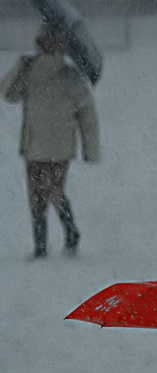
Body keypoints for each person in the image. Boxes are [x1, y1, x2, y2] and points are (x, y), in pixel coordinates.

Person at [0, 24, 100, 258]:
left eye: (54, 40)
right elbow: (8, 93)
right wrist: (19, 66)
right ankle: (42, 245)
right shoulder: (29, 69)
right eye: (45, 40)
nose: (49, 44)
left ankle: (70, 231)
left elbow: (87, 114)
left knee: (53, 190)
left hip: (59, 145)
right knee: (37, 195)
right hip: (34, 145)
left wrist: (90, 148)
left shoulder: (69, 75)